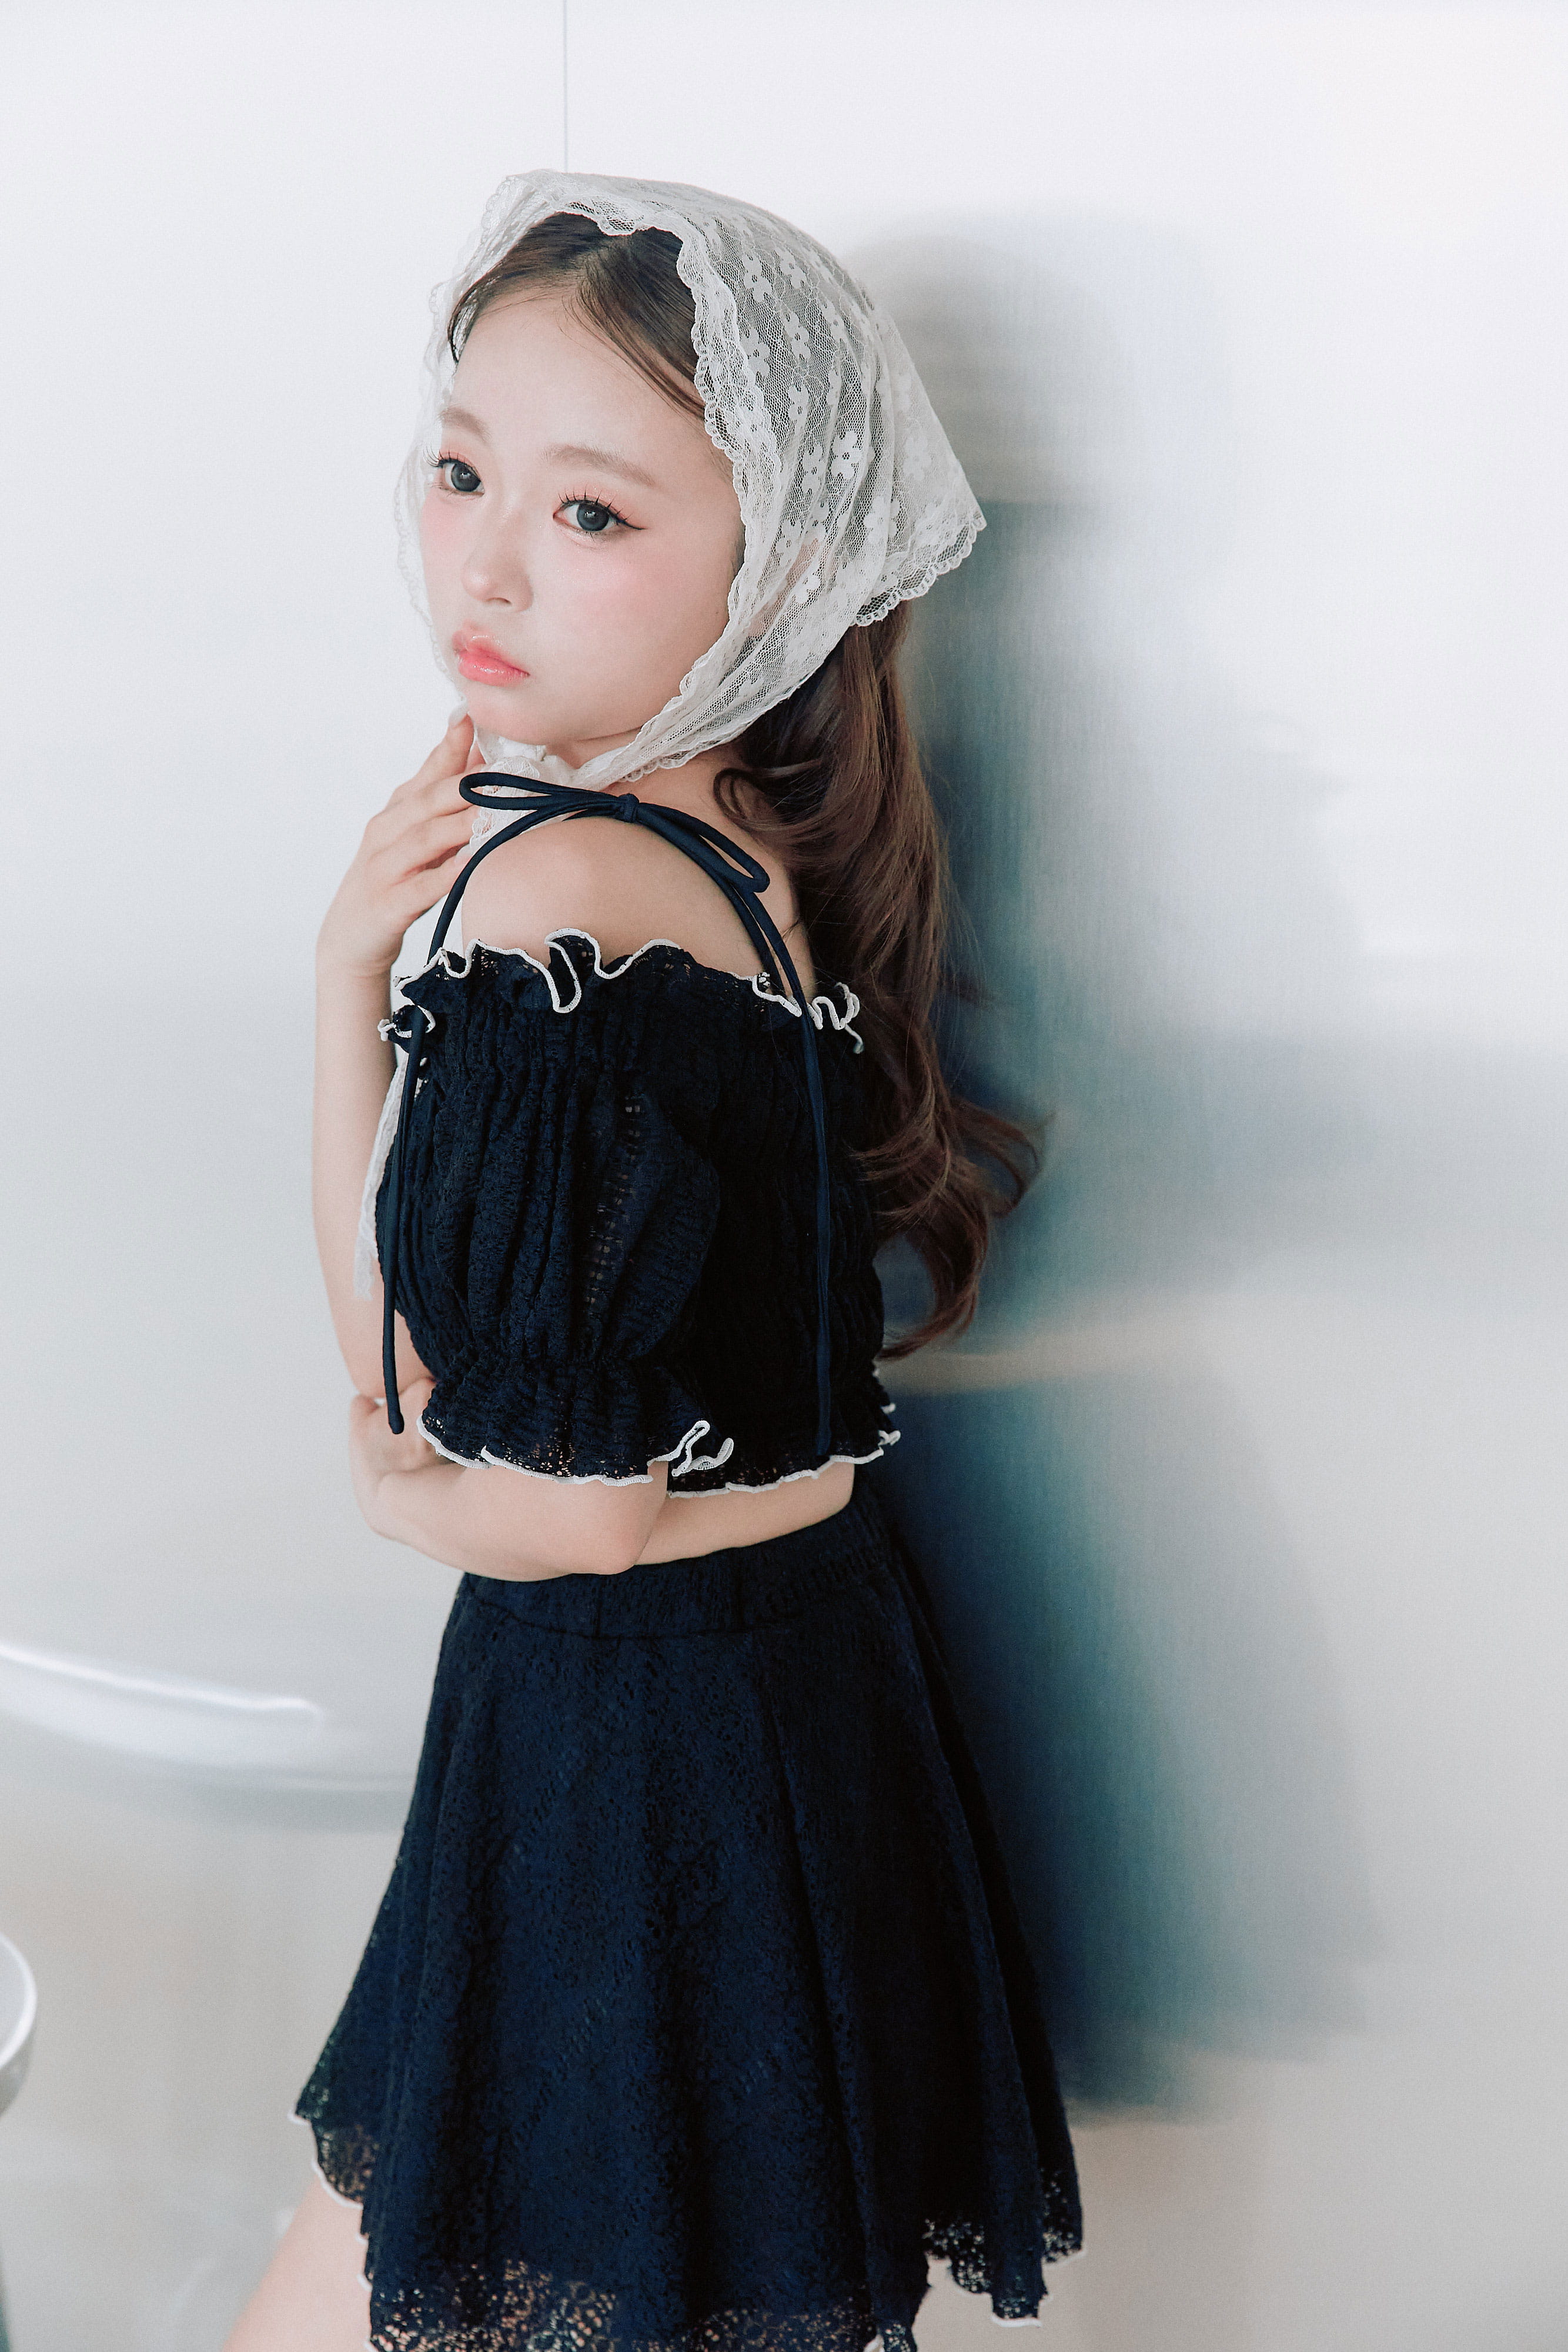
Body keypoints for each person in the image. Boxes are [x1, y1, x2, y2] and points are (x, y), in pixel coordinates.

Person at [225, 169, 1082, 2352]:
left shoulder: (565, 901)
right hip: (756, 1707)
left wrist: (398, 1495)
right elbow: (483, 1393)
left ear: (773, 567)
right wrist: (343, 973)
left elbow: (538, 1479)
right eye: (461, 471)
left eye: (591, 511)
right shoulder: (729, 854)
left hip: (627, 1756)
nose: (486, 562)